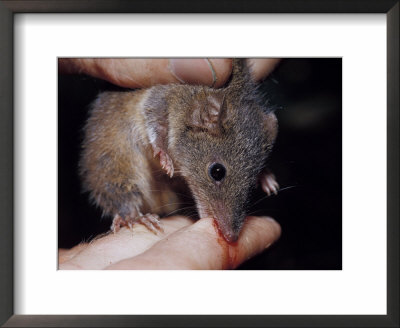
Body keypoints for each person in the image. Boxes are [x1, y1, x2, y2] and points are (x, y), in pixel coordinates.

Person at [58, 58, 282, 270]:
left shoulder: (236, 122)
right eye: (216, 172)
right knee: (114, 148)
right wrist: (160, 144)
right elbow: (155, 102)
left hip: (169, 191)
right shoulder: (197, 105)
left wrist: (258, 170)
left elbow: (248, 141)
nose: (230, 233)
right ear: (204, 117)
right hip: (126, 151)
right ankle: (126, 210)